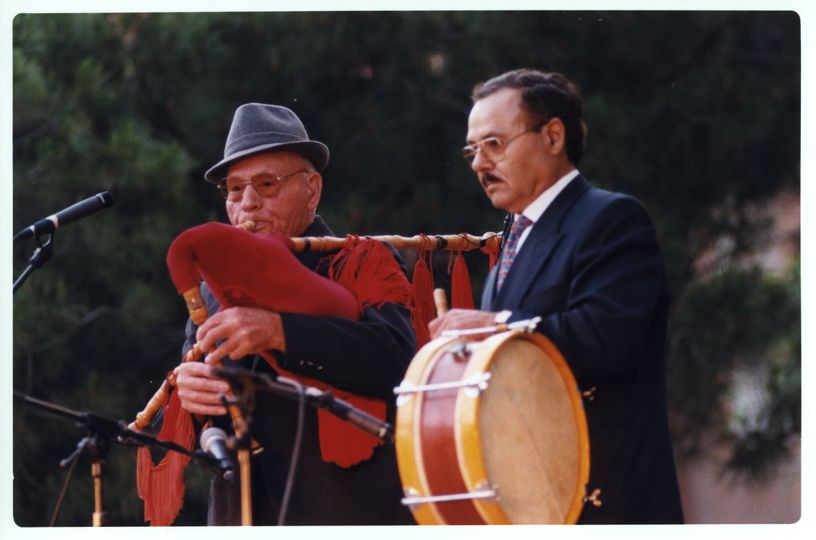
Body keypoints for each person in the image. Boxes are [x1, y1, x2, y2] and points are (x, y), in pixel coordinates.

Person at [429, 69, 684, 524]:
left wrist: (498, 325)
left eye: (494, 144)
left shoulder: (611, 218)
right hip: (536, 504)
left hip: (608, 503)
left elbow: (607, 338)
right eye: (472, 151)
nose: (478, 164)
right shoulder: (513, 238)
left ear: (552, 136)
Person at [173, 103, 416, 525]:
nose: (248, 203)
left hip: (344, 513)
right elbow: (200, 406)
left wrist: (280, 332)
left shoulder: (359, 261)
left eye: (266, 184)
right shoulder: (210, 289)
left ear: (313, 190)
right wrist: (189, 396)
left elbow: (398, 362)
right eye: (234, 189)